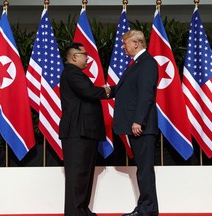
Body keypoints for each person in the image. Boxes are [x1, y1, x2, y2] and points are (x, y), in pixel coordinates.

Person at [110, 30, 159, 216]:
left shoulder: (147, 63)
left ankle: (148, 210)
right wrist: (107, 91)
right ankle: (144, 207)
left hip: (142, 127)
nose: (123, 47)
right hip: (137, 126)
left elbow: (146, 95)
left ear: (136, 44)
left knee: (145, 170)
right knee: (142, 170)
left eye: (125, 44)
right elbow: (127, 90)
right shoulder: (138, 63)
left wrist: (138, 120)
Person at [59, 42, 111, 216]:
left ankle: (81, 209)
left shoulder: (76, 73)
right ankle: (75, 212)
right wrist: (108, 91)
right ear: (74, 56)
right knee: (77, 175)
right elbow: (89, 92)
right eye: (85, 55)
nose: (88, 58)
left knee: (85, 174)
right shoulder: (72, 73)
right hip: (76, 132)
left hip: (85, 132)